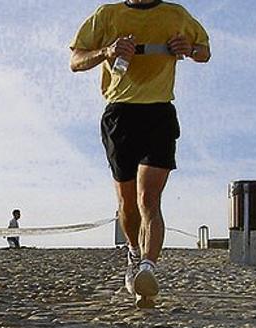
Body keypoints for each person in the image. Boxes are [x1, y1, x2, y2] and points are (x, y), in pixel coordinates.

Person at [69, 0, 210, 308]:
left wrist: (189, 48)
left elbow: (204, 52)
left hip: (159, 113)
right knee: (128, 205)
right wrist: (105, 52)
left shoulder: (175, 14)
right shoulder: (107, 15)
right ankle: (134, 252)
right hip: (120, 114)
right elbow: (76, 61)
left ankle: (148, 267)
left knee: (149, 199)